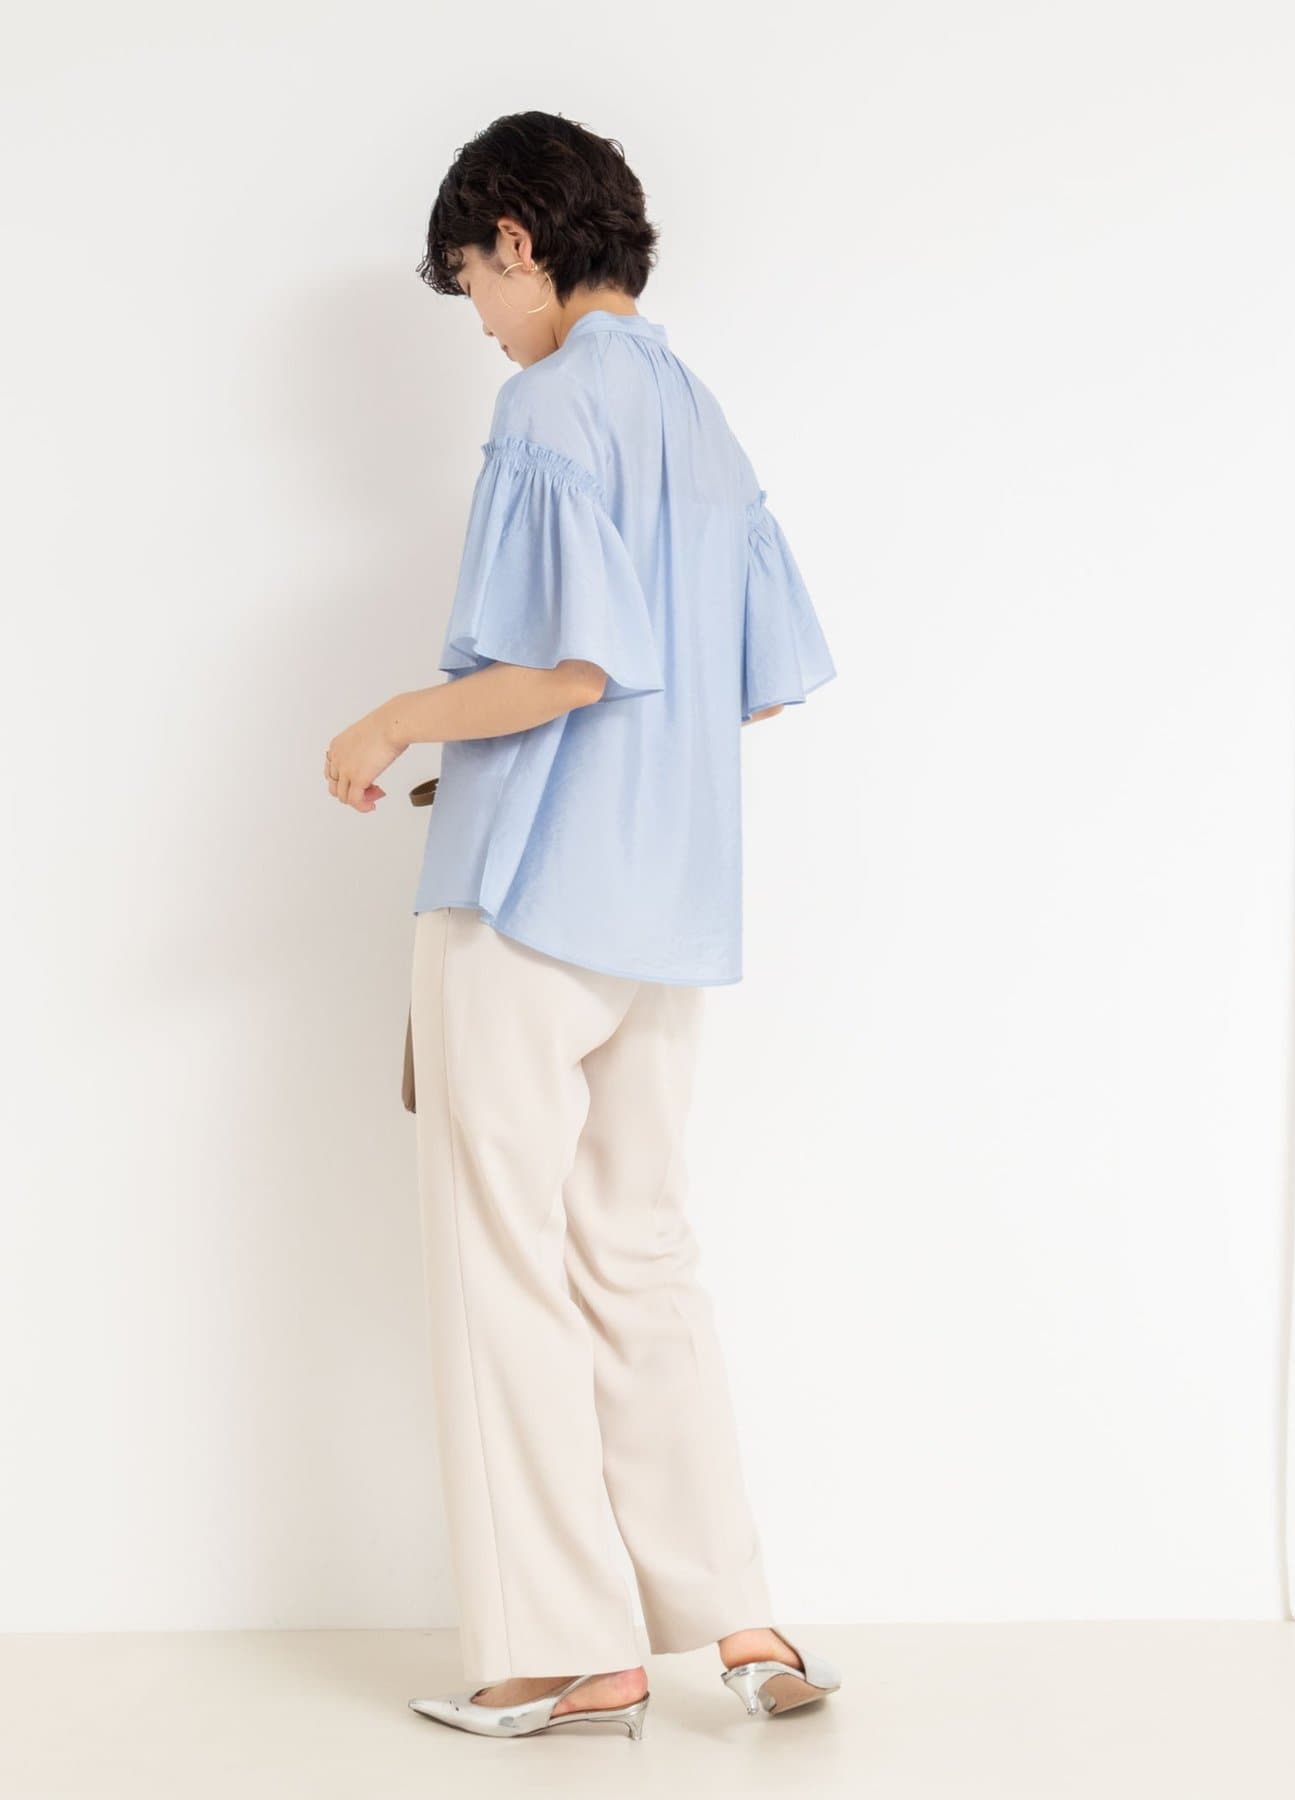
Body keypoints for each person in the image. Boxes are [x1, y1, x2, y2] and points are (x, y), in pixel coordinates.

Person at [322, 110, 840, 1742]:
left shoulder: (548, 407)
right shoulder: (704, 420)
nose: (481, 318)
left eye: (475, 279)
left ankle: (566, 1649)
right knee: (641, 1257)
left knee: (504, 1269)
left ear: (521, 240)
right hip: (664, 909)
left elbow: (567, 670)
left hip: (526, 899)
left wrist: (396, 721)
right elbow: (756, 683)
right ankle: (740, 1621)